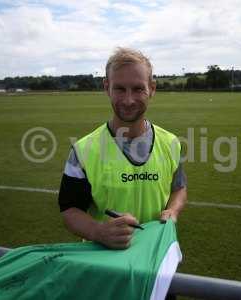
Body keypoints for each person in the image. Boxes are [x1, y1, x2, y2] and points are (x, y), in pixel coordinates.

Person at [58, 48, 187, 250]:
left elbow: (178, 188)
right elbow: (70, 209)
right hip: (103, 265)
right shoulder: (83, 150)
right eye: (119, 89)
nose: (128, 100)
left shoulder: (171, 142)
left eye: (138, 89)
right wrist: (98, 231)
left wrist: (173, 210)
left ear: (152, 88)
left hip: (154, 255)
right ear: (106, 87)